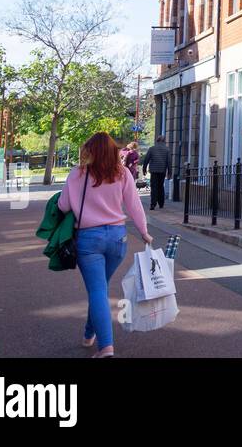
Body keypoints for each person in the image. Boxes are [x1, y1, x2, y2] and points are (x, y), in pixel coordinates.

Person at [58, 132, 151, 358]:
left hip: (88, 239)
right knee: (99, 289)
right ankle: (89, 333)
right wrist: (144, 232)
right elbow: (134, 206)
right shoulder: (122, 174)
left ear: (89, 151)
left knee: (98, 290)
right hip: (118, 239)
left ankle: (106, 347)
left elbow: (63, 206)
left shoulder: (77, 174)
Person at [141, 139, 172, 209]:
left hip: (154, 171)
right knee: (160, 186)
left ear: (157, 141)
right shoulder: (167, 150)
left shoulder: (152, 149)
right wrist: (170, 172)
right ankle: (161, 203)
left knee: (154, 187)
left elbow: (146, 159)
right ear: (164, 141)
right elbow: (169, 162)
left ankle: (153, 204)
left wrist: (144, 169)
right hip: (162, 171)